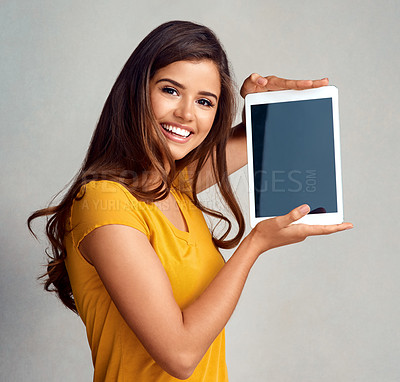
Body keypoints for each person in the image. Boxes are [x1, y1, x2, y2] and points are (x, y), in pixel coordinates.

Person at [28, 20, 352, 381]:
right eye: (170, 90)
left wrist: (263, 108)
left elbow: (251, 142)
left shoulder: (171, 190)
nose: (186, 113)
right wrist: (254, 246)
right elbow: (180, 356)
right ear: (137, 91)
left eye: (204, 101)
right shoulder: (103, 201)